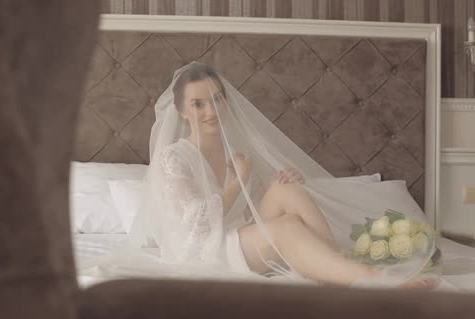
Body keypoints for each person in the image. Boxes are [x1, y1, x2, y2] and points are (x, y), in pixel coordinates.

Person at [137, 62, 437, 288]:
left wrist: (279, 185)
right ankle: (372, 281)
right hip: (203, 252)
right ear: (180, 111)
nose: (210, 110)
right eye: (198, 104)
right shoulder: (172, 157)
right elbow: (198, 224)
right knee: (287, 227)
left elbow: (250, 213)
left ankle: (337, 264)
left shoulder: (236, 153)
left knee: (287, 192)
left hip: (236, 236)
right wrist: (239, 178)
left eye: (216, 99)